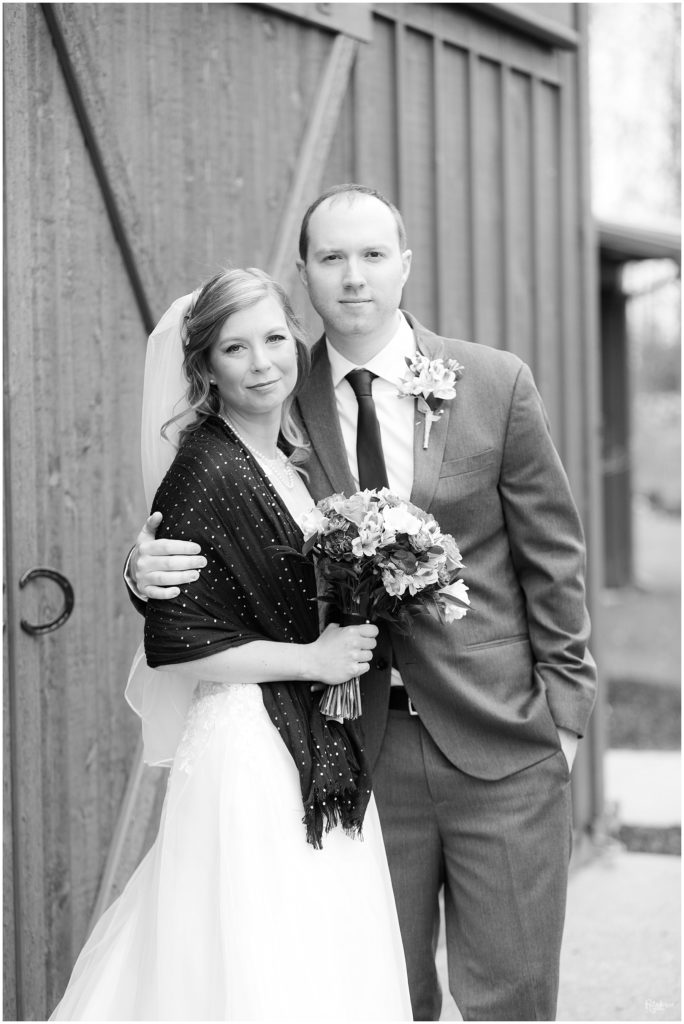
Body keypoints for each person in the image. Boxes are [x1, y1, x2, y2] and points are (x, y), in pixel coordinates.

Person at [127, 185, 598, 1021]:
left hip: (504, 742)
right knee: (380, 993)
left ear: (404, 265)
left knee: (515, 997)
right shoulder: (270, 390)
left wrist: (564, 719)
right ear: (304, 273)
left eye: (373, 255)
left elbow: (552, 559)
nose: (354, 277)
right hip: (354, 743)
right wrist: (144, 567)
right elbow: (226, 518)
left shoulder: (495, 383)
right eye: (332, 258)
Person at [51, 267, 412, 1021]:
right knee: (251, 960)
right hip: (249, 751)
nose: (263, 363)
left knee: (314, 957)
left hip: (307, 736)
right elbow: (178, 642)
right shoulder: (206, 467)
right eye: (235, 348)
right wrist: (315, 659)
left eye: (276, 338)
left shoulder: (286, 458)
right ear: (205, 367)